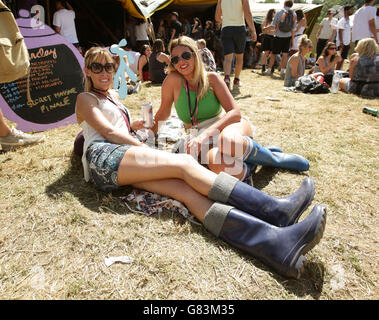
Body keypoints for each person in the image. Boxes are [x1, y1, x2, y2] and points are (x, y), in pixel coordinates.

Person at [75, 45, 327, 279]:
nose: (105, 72)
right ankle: (277, 210)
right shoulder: (85, 98)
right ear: (87, 70)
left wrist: (136, 125)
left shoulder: (112, 98)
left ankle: (275, 245)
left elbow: (116, 127)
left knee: (185, 191)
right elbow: (108, 133)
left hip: (121, 165)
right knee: (184, 163)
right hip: (104, 158)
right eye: (97, 67)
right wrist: (144, 148)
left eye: (108, 66)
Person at [145, 36, 310, 186]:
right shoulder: (172, 81)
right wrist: (144, 133)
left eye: (186, 55)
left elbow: (234, 113)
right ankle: (251, 164)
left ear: (195, 54)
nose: (181, 61)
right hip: (199, 136)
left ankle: (274, 159)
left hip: (227, 126)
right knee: (215, 163)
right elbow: (164, 113)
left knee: (227, 142)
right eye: (175, 59)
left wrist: (204, 136)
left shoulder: (212, 78)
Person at [215, 0, 257, 90]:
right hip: (239, 28)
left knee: (228, 57)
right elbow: (247, 13)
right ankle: (236, 80)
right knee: (239, 57)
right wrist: (253, 30)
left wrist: (226, 21)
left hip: (226, 28)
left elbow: (217, 17)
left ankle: (227, 78)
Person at [264, 0, 297, 79]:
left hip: (278, 36)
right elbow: (293, 29)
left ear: (284, 4)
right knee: (285, 54)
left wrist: (265, 29)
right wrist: (292, 40)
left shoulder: (279, 13)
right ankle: (282, 71)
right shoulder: (293, 14)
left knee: (273, 54)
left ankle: (269, 70)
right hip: (288, 36)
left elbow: (274, 25)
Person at [336, 5, 355, 71]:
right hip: (341, 44)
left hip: (346, 43)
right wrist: (341, 43)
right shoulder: (342, 21)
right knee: (339, 60)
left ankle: (339, 72)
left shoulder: (349, 20)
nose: (352, 11)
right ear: (346, 11)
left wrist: (348, 43)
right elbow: (340, 32)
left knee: (343, 59)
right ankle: (336, 73)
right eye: (351, 10)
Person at [260, 9, 276, 74]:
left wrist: (269, 29)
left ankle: (271, 67)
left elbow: (275, 29)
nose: (275, 13)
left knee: (273, 53)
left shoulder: (275, 21)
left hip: (273, 37)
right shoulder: (266, 20)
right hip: (267, 37)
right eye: (273, 12)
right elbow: (263, 30)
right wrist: (269, 29)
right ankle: (263, 67)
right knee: (266, 53)